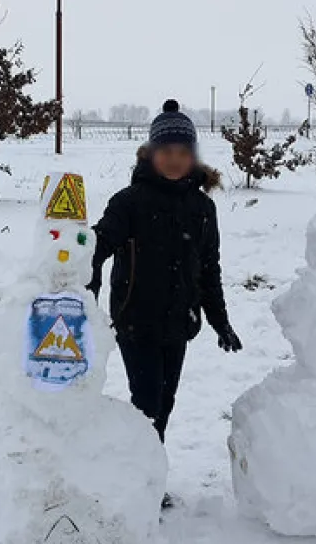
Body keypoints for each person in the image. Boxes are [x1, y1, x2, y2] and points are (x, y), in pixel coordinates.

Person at [89, 99, 242, 450]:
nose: (175, 159)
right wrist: (79, 287)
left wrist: (220, 321)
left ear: (193, 156)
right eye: (166, 150)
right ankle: (143, 481)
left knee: (165, 403)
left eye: (183, 151)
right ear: (151, 154)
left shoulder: (202, 208)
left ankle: (146, 474)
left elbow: (208, 269)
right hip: (135, 322)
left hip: (178, 324)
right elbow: (96, 249)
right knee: (147, 405)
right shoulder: (128, 202)